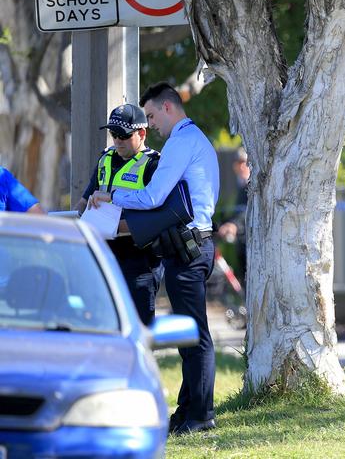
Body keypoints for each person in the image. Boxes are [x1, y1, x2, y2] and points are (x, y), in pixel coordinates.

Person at [88, 82, 220, 434]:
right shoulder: (193, 140)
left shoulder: (180, 142)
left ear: (167, 108)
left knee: (195, 337)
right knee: (188, 338)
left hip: (188, 248)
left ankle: (202, 416)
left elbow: (151, 197)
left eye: (150, 116)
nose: (151, 126)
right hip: (188, 246)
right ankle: (186, 411)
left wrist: (111, 195)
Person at [75, 103, 163, 326]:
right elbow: (85, 200)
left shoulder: (154, 165)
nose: (117, 140)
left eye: (123, 135)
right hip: (105, 257)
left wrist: (118, 227)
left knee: (138, 327)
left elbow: (157, 217)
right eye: (113, 134)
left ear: (142, 133)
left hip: (139, 261)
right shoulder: (105, 159)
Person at [217, 147, 249, 280]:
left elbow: (247, 212)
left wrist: (234, 225)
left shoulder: (258, 189)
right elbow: (234, 213)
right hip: (242, 245)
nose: (241, 167)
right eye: (238, 163)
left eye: (245, 163)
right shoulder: (240, 189)